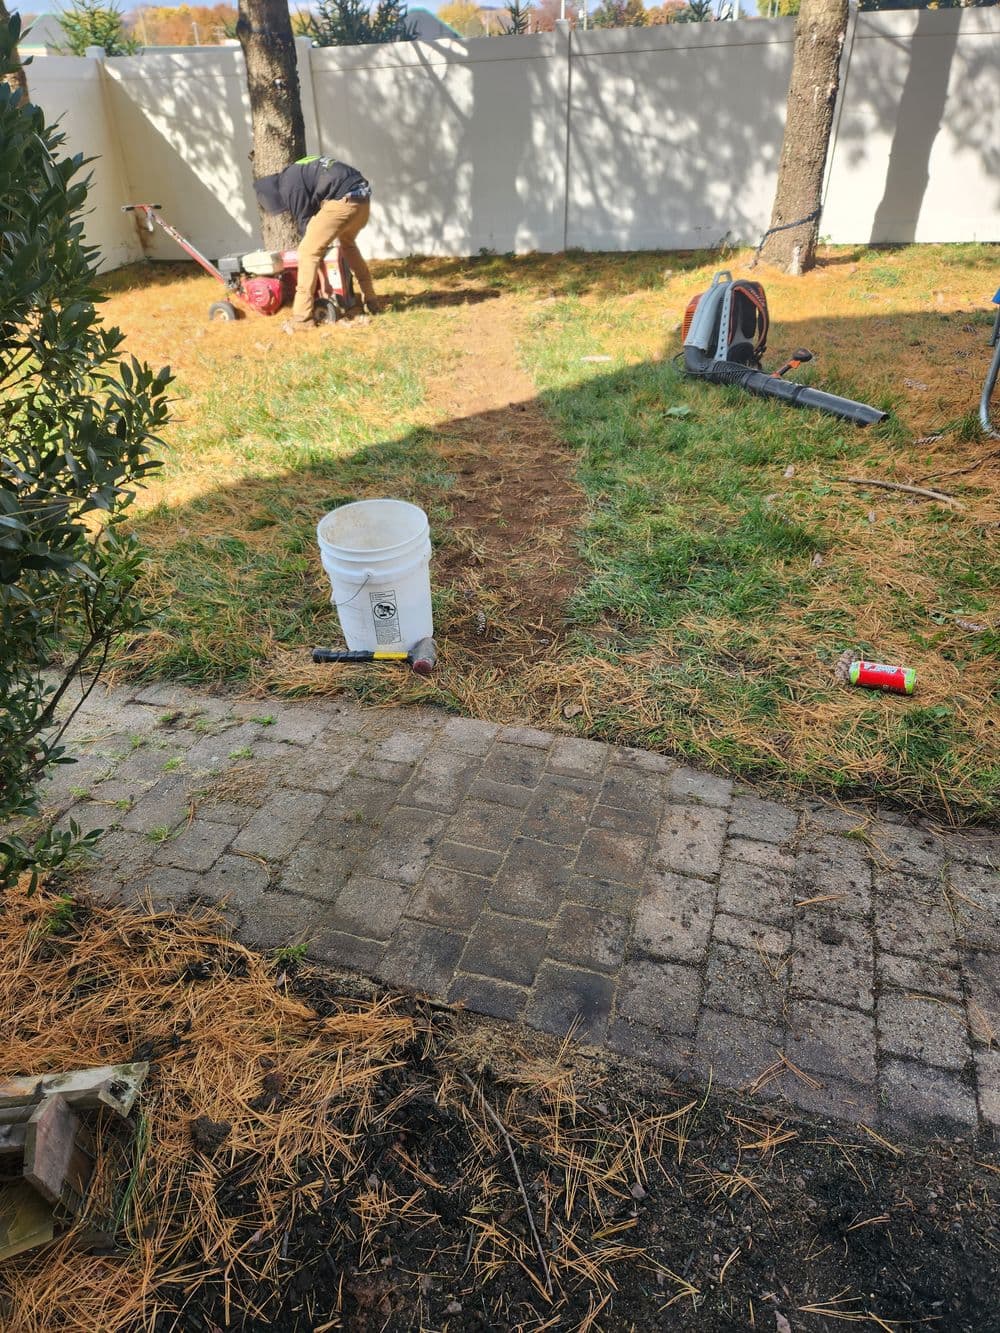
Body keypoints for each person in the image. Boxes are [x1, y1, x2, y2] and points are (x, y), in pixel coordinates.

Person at [253, 156, 380, 330]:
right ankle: (371, 300)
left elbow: (305, 223)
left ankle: (302, 318)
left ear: (273, 193)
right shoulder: (295, 173)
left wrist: (311, 244)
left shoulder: (288, 184)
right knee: (348, 244)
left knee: (307, 252)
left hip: (344, 200)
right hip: (362, 199)